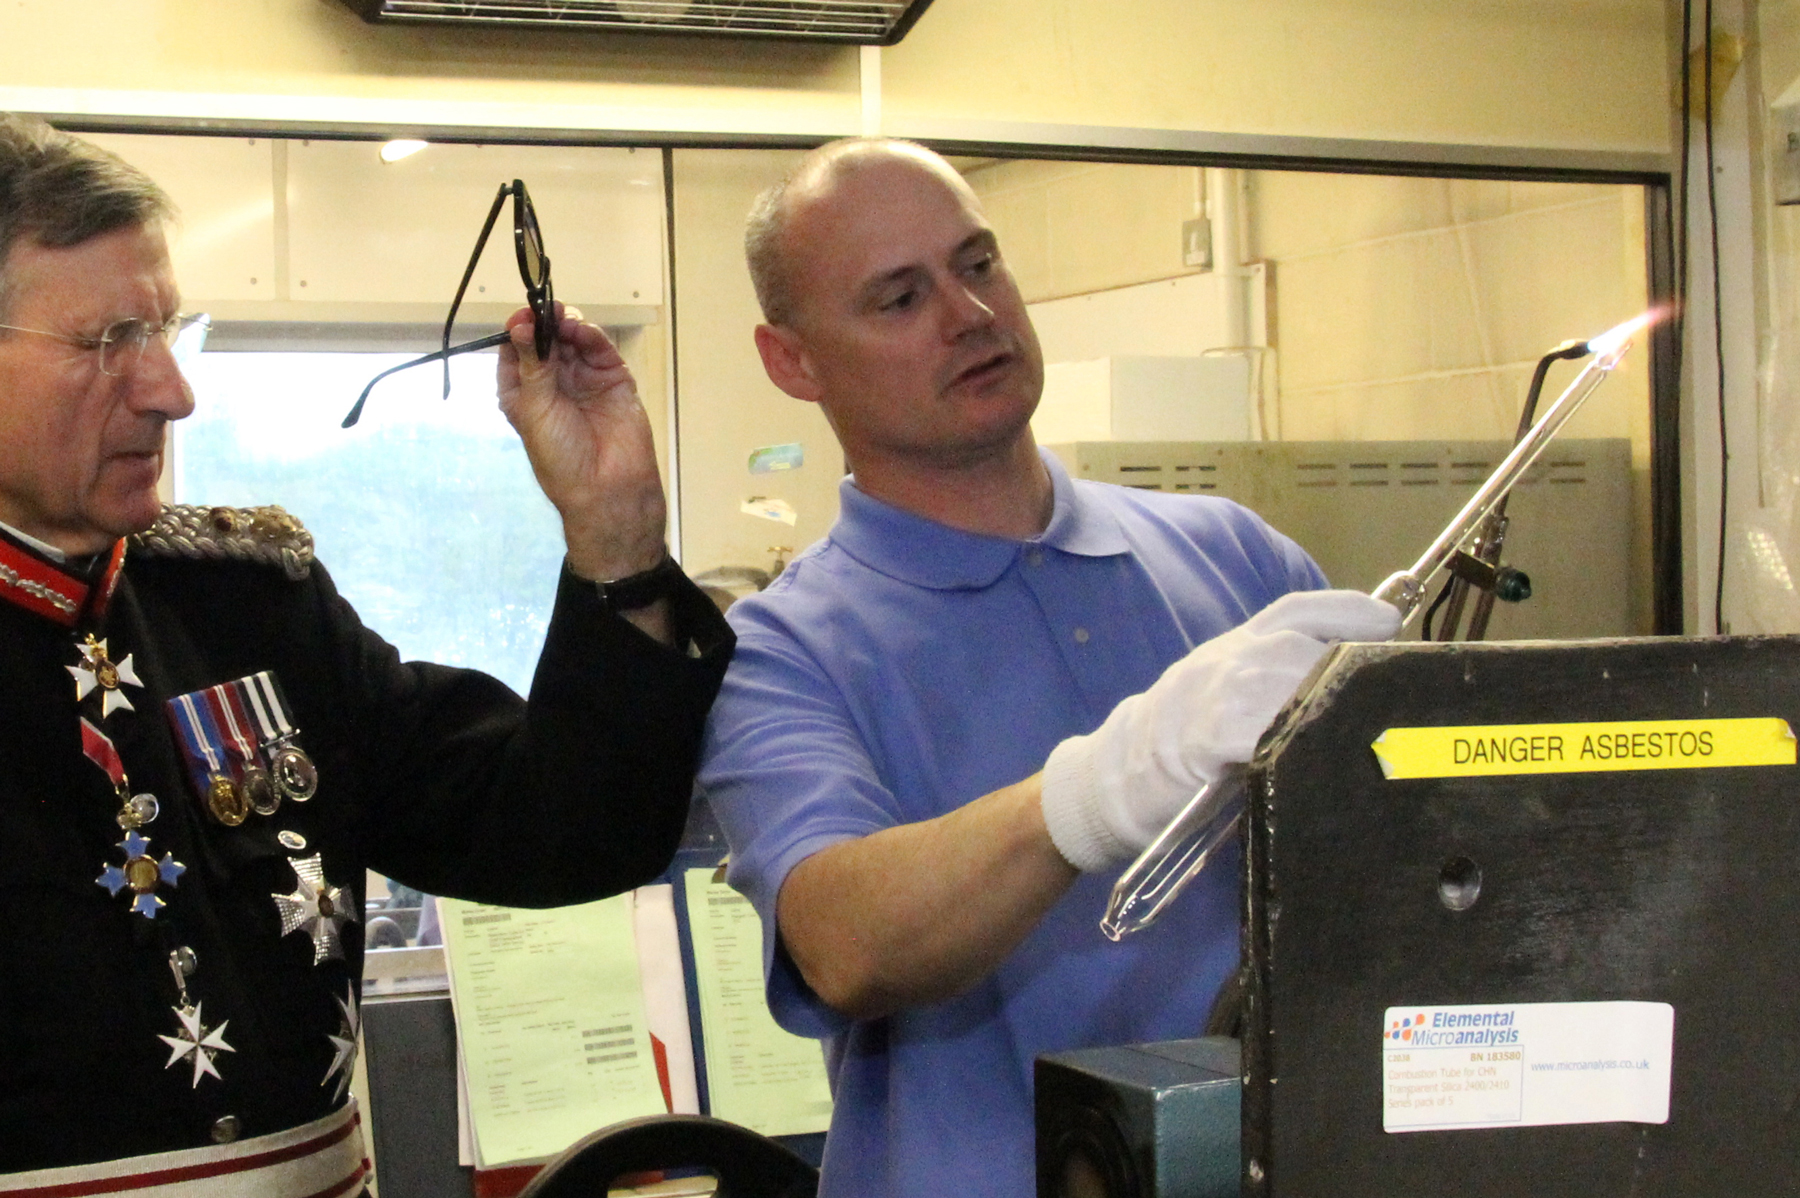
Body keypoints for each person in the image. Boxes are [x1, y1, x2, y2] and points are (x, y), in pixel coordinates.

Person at [0, 114, 732, 1190]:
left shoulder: (251, 608)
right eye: (110, 342)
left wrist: (614, 534)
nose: (172, 390)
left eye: (168, 331)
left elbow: (565, 830)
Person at [698, 138, 1401, 1197]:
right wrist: (1097, 788)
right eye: (898, 298)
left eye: (978, 265)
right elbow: (842, 940)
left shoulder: (1240, 559)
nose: (970, 315)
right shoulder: (779, 651)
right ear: (792, 361)